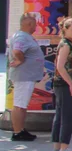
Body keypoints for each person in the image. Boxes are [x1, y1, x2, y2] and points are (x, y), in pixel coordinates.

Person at [7, 13, 45, 141]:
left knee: (22, 104)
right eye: (35, 24)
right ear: (29, 24)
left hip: (26, 75)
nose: (36, 27)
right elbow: (17, 51)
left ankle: (21, 130)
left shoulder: (24, 36)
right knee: (19, 105)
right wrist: (20, 60)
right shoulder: (22, 37)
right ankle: (17, 132)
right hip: (24, 76)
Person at [52, 18, 72, 151]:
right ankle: (64, 147)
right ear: (65, 29)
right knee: (67, 115)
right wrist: (71, 83)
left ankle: (57, 147)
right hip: (64, 84)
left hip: (61, 83)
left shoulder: (67, 43)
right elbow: (60, 66)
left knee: (60, 114)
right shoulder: (66, 45)